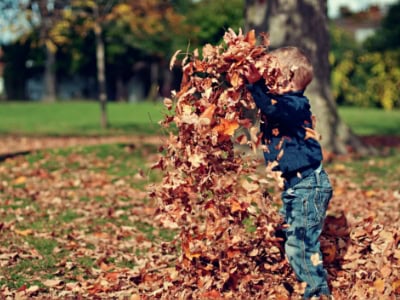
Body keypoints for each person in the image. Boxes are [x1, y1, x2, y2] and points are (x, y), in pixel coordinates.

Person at [246, 46, 333, 300]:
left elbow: (272, 109)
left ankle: (317, 293)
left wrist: (255, 86)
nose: (266, 82)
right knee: (285, 232)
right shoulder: (284, 104)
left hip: (308, 186)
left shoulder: (295, 104)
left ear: (285, 78)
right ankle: (293, 277)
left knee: (301, 244)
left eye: (271, 77)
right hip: (297, 187)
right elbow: (268, 105)